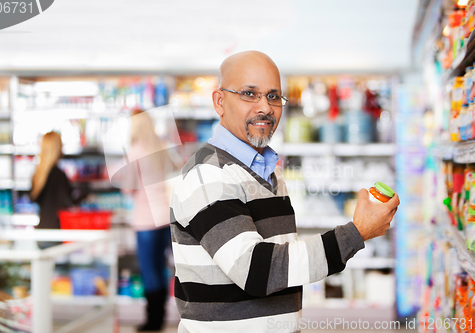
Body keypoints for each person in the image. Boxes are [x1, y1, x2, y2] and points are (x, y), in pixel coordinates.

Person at [169, 51, 400, 333]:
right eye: (249, 94)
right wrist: (357, 232)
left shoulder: (269, 171)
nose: (264, 107)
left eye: (273, 96)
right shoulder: (208, 174)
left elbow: (280, 265)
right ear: (220, 101)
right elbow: (256, 270)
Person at [122, 110, 172, 332]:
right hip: (165, 217)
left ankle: (152, 322)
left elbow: (128, 187)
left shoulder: (135, 152)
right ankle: (161, 317)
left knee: (149, 270)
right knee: (161, 268)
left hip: (145, 220)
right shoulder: (161, 149)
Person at [30, 131, 75, 248]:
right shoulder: (59, 175)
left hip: (41, 230)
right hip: (56, 231)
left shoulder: (37, 175)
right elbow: (66, 202)